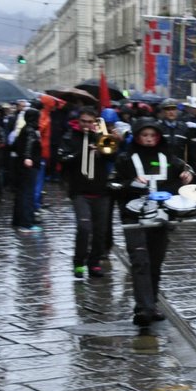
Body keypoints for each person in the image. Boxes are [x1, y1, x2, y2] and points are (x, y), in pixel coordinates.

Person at [114, 118, 194, 325]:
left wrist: (188, 175)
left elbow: (184, 171)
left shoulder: (167, 156)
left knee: (155, 261)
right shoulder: (125, 158)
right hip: (134, 216)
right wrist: (131, 183)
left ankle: (151, 303)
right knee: (140, 260)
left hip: (161, 215)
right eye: (144, 135)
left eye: (152, 136)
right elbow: (114, 184)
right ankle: (144, 308)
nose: (149, 140)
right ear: (137, 136)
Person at [59, 114, 118, 279]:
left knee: (100, 231)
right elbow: (63, 159)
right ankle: (78, 262)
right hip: (80, 191)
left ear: (95, 123)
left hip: (101, 190)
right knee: (84, 228)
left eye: (90, 122)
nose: (87, 125)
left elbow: (112, 157)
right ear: (79, 122)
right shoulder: (70, 137)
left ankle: (94, 263)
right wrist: (82, 151)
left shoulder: (100, 136)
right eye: (83, 121)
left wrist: (109, 145)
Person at [7, 109, 43, 230]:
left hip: (21, 165)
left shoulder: (24, 129)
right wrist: (27, 157)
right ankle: (26, 222)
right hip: (29, 166)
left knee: (22, 193)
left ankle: (19, 220)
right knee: (27, 193)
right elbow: (29, 145)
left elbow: (14, 146)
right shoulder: (31, 131)